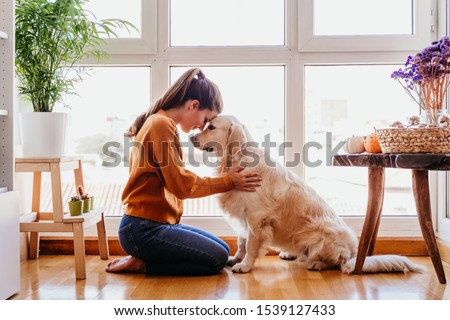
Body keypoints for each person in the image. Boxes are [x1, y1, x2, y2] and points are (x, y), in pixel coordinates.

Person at [106, 68, 261, 276]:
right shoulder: (160, 125)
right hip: (142, 229)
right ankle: (143, 263)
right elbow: (182, 185)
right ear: (194, 105)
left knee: (224, 250)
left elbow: (176, 179)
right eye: (206, 120)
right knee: (217, 259)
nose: (201, 128)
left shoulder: (161, 122)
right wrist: (229, 182)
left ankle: (144, 256)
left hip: (154, 225)